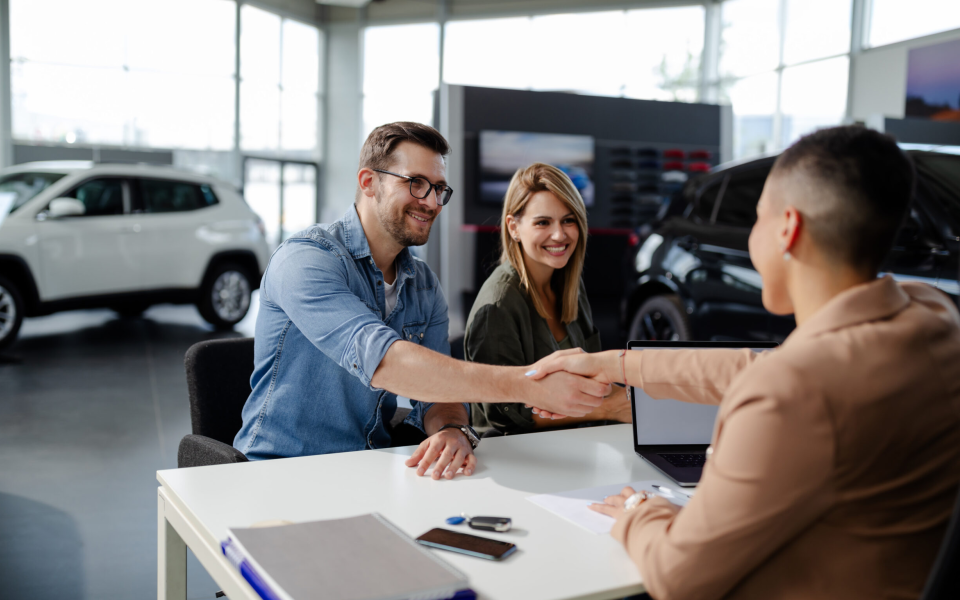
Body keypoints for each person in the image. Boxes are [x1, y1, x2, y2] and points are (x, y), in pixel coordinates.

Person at [529, 125, 960, 599]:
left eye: (756, 219)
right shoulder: (932, 313)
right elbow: (760, 366)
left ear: (788, 229)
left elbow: (678, 576)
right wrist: (616, 365)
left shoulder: (792, 393)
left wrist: (639, 512)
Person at [234, 122, 610, 480]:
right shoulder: (307, 260)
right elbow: (386, 363)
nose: (431, 202)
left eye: (439, 189)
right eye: (416, 184)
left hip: (368, 468)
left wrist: (450, 429)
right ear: (369, 182)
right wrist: (528, 386)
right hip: (281, 471)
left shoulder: (424, 285)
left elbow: (439, 397)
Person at [464, 163, 632, 434]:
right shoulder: (497, 306)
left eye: (568, 220)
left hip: (580, 444)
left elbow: (593, 376)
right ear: (514, 227)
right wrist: (611, 407)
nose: (560, 234)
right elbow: (505, 416)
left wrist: (639, 399)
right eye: (543, 222)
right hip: (521, 459)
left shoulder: (569, 286)